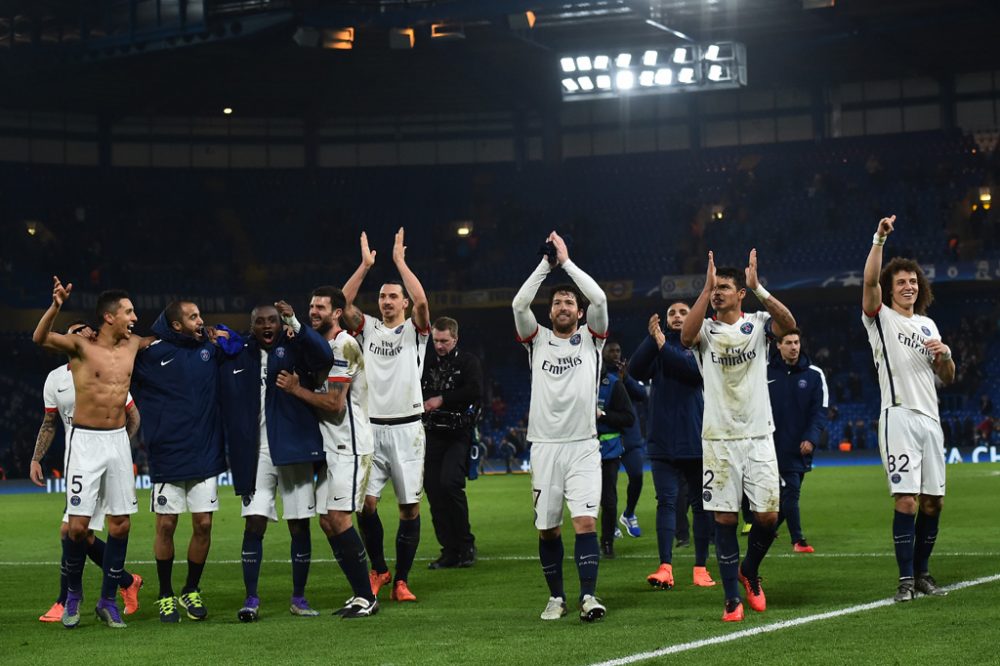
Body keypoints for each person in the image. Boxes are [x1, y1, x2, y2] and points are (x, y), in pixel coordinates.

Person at [680, 251, 797, 622]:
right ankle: (732, 598)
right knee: (725, 520)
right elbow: (684, 337)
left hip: (758, 435)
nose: (718, 293)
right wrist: (704, 286)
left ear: (739, 294)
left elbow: (789, 324)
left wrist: (759, 287)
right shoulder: (705, 330)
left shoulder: (759, 324)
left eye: (724, 288)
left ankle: (748, 570)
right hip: (717, 437)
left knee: (768, 516)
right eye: (715, 289)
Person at [32, 279, 153, 629]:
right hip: (85, 443)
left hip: (117, 441)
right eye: (128, 311)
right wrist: (55, 306)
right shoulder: (81, 348)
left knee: (121, 523)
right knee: (76, 527)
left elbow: (154, 339)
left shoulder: (132, 344)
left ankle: (108, 600)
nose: (134, 316)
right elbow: (40, 338)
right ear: (109, 316)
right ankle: (72, 595)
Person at [512, 231, 609, 622]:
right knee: (548, 529)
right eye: (557, 302)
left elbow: (600, 298)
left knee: (585, 522)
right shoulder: (537, 340)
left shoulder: (592, 340)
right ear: (549, 313)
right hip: (545, 447)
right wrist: (545, 267)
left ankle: (588, 596)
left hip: (584, 445)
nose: (564, 305)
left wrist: (566, 263)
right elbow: (520, 303)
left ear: (580, 313)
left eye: (570, 301)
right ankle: (556, 597)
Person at [219, 301, 333, 622]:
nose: (268, 326)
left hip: (293, 446)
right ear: (252, 326)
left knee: (299, 524)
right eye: (261, 322)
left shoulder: (295, 346)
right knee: (254, 522)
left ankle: (298, 597)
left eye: (273, 320)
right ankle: (251, 599)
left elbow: (324, 356)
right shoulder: (240, 353)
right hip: (257, 453)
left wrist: (294, 321)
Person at [862, 215, 954, 602]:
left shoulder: (930, 326)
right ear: (890, 288)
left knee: (933, 501)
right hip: (898, 415)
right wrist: (879, 239)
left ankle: (922, 573)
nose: (908, 286)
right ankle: (904, 581)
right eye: (900, 282)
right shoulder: (879, 317)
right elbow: (869, 282)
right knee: (906, 499)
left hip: (930, 420)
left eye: (913, 281)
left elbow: (947, 378)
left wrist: (946, 356)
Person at [276, 286, 379, 618]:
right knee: (327, 521)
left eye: (321, 307)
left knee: (339, 518)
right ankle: (358, 593)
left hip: (350, 445)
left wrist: (296, 389)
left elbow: (335, 405)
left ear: (337, 313)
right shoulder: (320, 347)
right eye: (311, 306)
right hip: (330, 446)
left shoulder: (345, 345)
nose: (313, 311)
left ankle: (367, 596)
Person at [342, 228, 430, 603]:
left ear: (404, 304)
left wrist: (399, 262)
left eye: (394, 296)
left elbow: (423, 300)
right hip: (370, 428)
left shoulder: (416, 331)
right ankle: (379, 568)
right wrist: (364, 267)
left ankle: (403, 580)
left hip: (408, 429)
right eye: (383, 296)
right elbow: (339, 303)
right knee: (366, 505)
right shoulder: (367, 329)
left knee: (409, 507)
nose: (388, 301)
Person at [131, 301, 228, 622]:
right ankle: (164, 593)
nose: (201, 320)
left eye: (200, 314)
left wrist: (220, 336)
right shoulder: (149, 355)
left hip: (205, 453)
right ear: (175, 325)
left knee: (203, 524)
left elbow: (242, 344)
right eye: (193, 317)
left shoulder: (210, 350)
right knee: (167, 525)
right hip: (167, 454)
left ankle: (191, 589)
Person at [630, 301, 716, 590]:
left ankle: (700, 567)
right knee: (665, 501)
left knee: (700, 505)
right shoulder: (658, 347)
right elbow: (635, 369)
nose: (678, 316)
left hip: (695, 439)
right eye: (672, 313)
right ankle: (665, 566)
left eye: (684, 312)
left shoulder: (701, 346)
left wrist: (661, 343)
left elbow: (691, 371)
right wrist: (650, 337)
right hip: (662, 440)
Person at [421, 316, 483, 570]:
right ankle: (448, 549)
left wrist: (441, 399)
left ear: (455, 339)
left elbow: (475, 390)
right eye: (436, 340)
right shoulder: (424, 361)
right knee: (433, 489)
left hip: (458, 433)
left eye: (444, 341)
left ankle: (465, 545)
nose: (439, 345)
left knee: (450, 484)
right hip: (433, 433)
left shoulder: (468, 362)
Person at [767, 327, 828, 554]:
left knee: (788, 495)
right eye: (789, 343)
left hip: (800, 446)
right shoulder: (764, 372)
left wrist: (811, 438)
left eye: (796, 342)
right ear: (778, 345)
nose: (794, 347)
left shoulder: (814, 375)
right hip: (770, 446)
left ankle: (767, 529)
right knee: (791, 492)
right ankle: (798, 540)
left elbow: (819, 411)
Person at [602, 341, 646, 539]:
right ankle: (611, 523)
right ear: (602, 352)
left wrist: (626, 377)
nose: (615, 354)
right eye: (611, 350)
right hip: (607, 435)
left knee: (637, 475)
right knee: (608, 486)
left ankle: (628, 513)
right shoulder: (597, 374)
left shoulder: (626, 372)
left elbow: (642, 394)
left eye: (618, 350)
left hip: (630, 435)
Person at [596, 354, 635, 559]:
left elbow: (628, 418)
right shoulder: (573, 381)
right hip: (580, 449)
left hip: (608, 451)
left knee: (608, 500)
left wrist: (602, 415)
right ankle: (585, 540)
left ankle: (607, 542)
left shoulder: (613, 384)